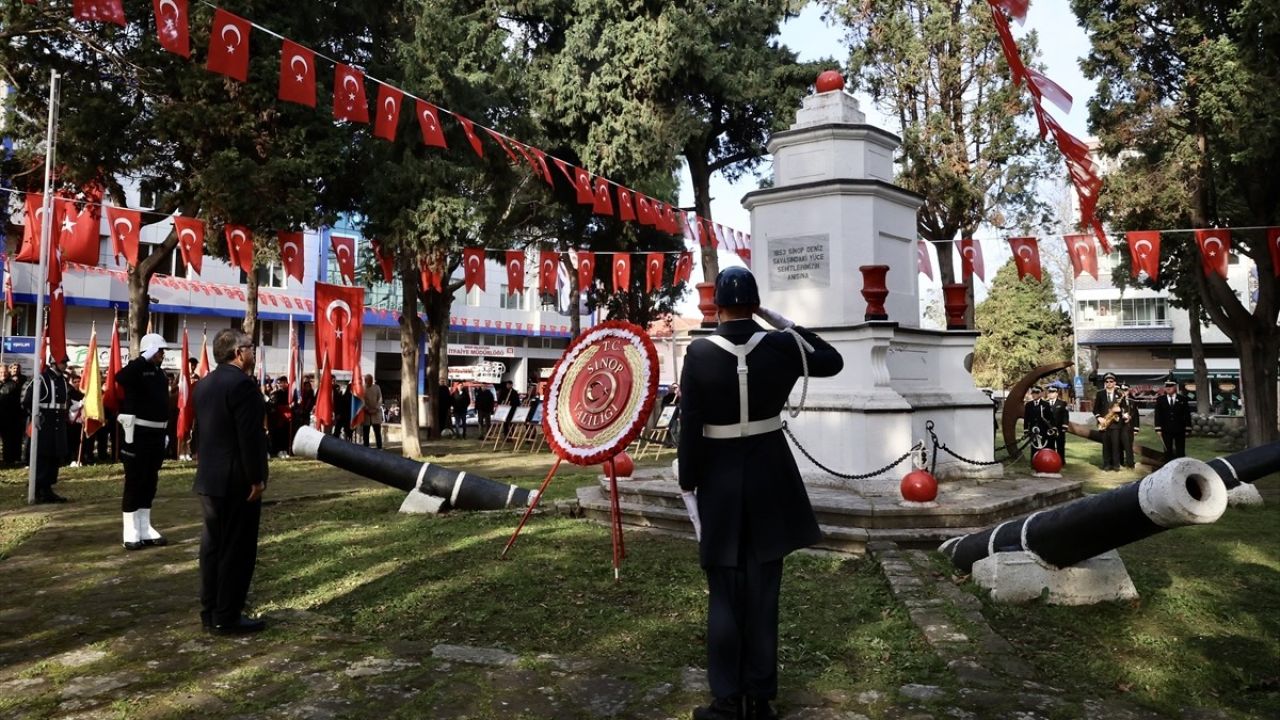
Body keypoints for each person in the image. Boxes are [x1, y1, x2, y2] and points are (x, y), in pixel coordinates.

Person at [678, 267, 844, 720]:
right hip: (771, 477)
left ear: (715, 307)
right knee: (765, 591)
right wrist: (784, 323)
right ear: (755, 304)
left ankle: (726, 701)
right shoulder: (782, 345)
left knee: (725, 593)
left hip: (720, 480)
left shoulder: (698, 352)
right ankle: (760, 699)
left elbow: (691, 423)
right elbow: (831, 360)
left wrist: (688, 479)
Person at [193, 329, 269, 635]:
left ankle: (210, 610)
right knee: (237, 549)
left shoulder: (205, 385)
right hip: (237, 480)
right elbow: (249, 439)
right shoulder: (243, 386)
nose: (253, 352)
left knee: (212, 547)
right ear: (239, 353)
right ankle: (228, 614)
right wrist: (257, 478)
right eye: (251, 348)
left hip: (210, 478)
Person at [116, 333, 173, 550]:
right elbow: (121, 378)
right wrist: (142, 359)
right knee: (135, 481)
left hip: (156, 435)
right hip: (137, 434)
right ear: (149, 350)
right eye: (159, 351)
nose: (162, 355)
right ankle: (130, 529)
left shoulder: (160, 374)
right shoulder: (137, 370)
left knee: (150, 482)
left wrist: (164, 430)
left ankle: (144, 526)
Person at [22, 354, 84, 503]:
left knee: (55, 455)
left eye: (65, 362)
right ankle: (38, 488)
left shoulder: (62, 380)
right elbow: (26, 400)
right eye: (62, 362)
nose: (65, 365)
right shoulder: (40, 378)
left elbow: (66, 401)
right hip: (45, 421)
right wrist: (35, 414)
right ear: (53, 362)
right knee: (43, 455)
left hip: (58, 422)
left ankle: (48, 488)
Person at [1092, 373, 1128, 471]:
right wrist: (1099, 418)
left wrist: (1120, 410)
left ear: (1114, 382)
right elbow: (1095, 409)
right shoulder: (1100, 394)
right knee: (1106, 445)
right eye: (1107, 381)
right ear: (1105, 383)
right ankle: (1106, 464)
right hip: (1104, 423)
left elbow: (1125, 407)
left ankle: (1116, 465)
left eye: (1111, 381)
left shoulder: (1120, 393)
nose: (1109, 383)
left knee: (1116, 445)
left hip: (1116, 424)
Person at [1154, 379, 1192, 459]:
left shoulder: (1182, 399)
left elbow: (1187, 414)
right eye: (1167, 386)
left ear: (1174, 387)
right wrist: (1158, 428)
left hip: (1179, 429)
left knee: (1180, 450)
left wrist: (1188, 428)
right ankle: (1168, 466)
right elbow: (1157, 414)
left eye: (1170, 386)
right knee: (1167, 450)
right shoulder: (1160, 400)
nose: (1168, 388)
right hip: (1166, 429)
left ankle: (1181, 466)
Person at [0, 363, 25, 466]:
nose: (3, 374)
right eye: (1, 372)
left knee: (8, 441)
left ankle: (9, 460)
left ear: (8, 372)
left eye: (5, 372)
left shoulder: (14, 385)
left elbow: (18, 403)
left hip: (8, 418)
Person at [1044, 387, 1069, 463]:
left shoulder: (1062, 403)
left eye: (1052, 392)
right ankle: (1051, 460)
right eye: (1049, 392)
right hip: (1048, 429)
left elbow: (1065, 416)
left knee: (1060, 446)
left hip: (1059, 429)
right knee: (1049, 445)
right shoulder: (1045, 403)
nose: (1050, 394)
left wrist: (1065, 426)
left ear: (1056, 393)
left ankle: (1061, 461)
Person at [361, 374, 384, 449]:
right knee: (366, 433)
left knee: (377, 432)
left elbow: (380, 398)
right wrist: (367, 409)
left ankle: (379, 447)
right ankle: (366, 447)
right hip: (366, 414)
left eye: (370, 380)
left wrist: (376, 408)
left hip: (376, 413)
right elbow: (362, 400)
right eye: (367, 380)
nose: (369, 382)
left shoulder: (377, 387)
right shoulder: (362, 388)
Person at [1119, 384, 1139, 468]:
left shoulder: (1133, 400)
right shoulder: (1118, 400)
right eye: (1122, 390)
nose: (1124, 392)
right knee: (1120, 446)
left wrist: (1136, 428)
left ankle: (1130, 463)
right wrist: (1122, 416)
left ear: (1129, 390)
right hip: (1121, 426)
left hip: (1130, 427)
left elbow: (1136, 415)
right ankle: (1122, 463)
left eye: (1126, 390)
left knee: (1129, 445)